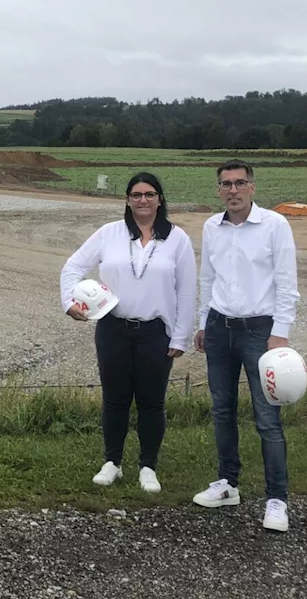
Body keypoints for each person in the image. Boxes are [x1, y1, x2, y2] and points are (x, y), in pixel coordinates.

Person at [60, 172, 196, 494]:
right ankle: (112, 463)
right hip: (113, 330)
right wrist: (70, 303)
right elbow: (73, 267)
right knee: (115, 399)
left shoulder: (178, 239)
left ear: (160, 199)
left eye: (149, 194)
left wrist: (181, 337)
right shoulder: (110, 234)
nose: (143, 200)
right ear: (127, 200)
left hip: (155, 333)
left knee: (151, 402)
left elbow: (188, 290)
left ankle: (148, 466)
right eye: (136, 195)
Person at [191, 159, 300, 532]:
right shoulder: (212, 227)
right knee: (222, 410)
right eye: (226, 184)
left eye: (239, 183)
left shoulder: (274, 225)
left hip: (260, 331)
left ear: (252, 187)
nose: (233, 190)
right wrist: (203, 322)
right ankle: (228, 484)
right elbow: (207, 278)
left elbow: (287, 282)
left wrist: (279, 332)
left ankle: (277, 500)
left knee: (267, 418)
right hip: (220, 328)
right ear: (218, 190)